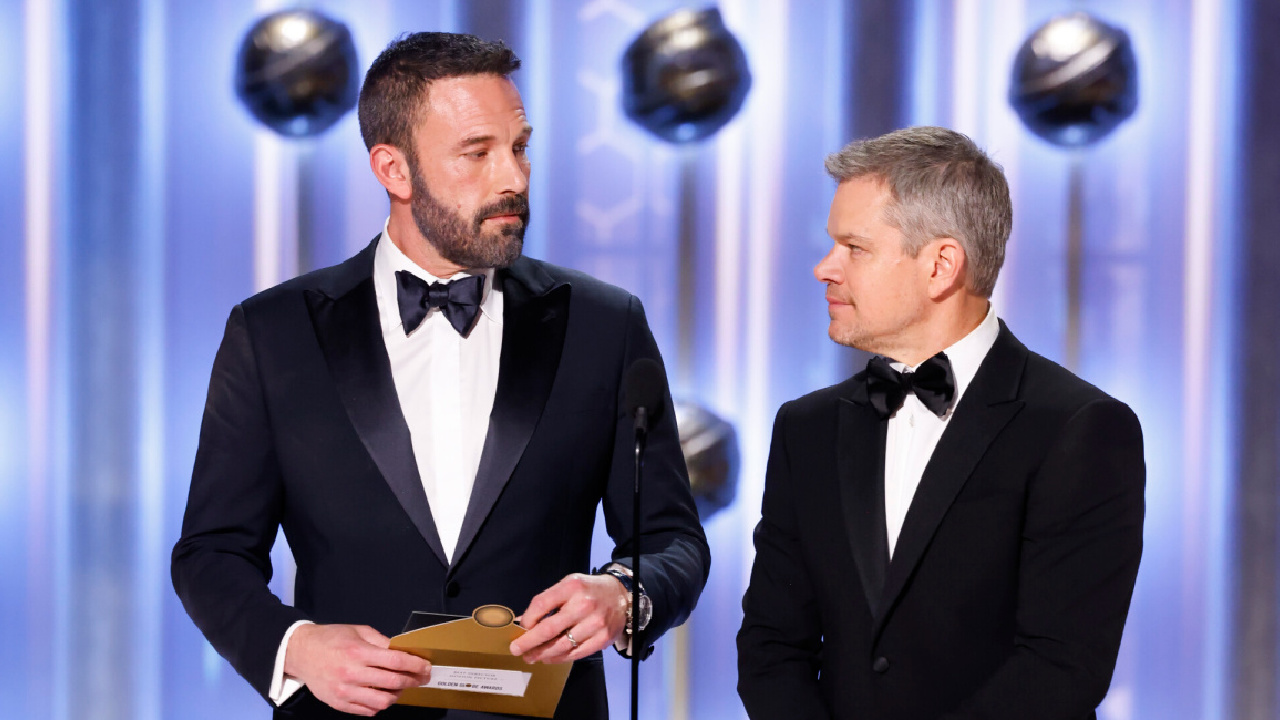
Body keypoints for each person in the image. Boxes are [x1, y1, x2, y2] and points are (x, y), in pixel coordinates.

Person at [172, 32, 709, 719]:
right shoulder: (274, 334)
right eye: (477, 153)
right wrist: (296, 647)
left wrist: (625, 594)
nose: (512, 176)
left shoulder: (604, 324)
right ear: (394, 171)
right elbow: (211, 554)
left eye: (519, 147)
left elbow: (671, 540)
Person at [736, 126, 1145, 720]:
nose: (825, 268)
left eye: (854, 248)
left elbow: (1061, 667)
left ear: (940, 267)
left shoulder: (1079, 427)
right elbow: (772, 646)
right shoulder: (807, 428)